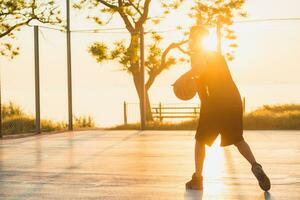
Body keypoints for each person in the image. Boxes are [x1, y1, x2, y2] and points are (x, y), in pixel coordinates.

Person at [185, 26, 271, 191]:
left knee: (200, 140)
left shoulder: (199, 56)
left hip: (217, 103)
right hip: (233, 100)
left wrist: (183, 77)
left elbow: (200, 75)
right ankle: (255, 165)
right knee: (238, 139)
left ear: (196, 39)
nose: (190, 40)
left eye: (192, 37)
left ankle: (197, 178)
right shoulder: (217, 56)